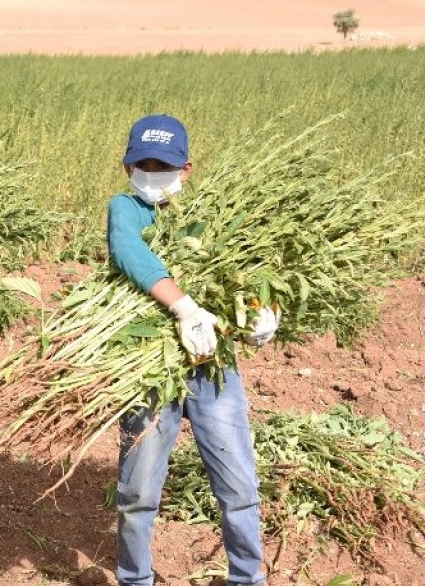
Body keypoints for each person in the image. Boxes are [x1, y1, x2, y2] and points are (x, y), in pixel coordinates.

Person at [106, 114, 278, 586]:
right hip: (147, 371)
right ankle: (134, 579)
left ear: (187, 169)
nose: (153, 171)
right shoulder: (125, 208)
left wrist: (262, 314)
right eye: (144, 163)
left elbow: (245, 273)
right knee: (138, 490)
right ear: (128, 167)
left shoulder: (211, 218)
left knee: (239, 484)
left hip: (212, 370)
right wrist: (184, 307)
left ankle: (247, 578)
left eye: (164, 164)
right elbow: (129, 251)